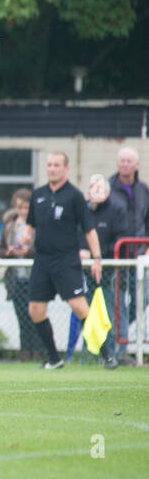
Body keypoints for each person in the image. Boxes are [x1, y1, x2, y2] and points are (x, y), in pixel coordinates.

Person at [21, 152, 102, 370]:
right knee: (35, 309)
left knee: (79, 306)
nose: (52, 168)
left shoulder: (74, 196)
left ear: (66, 168)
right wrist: (26, 236)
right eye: (49, 165)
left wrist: (96, 258)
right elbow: (30, 225)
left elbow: (89, 230)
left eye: (57, 165)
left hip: (66, 259)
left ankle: (107, 354)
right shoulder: (38, 195)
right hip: (42, 260)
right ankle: (54, 359)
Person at [107, 147, 149, 363]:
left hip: (139, 257)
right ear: (117, 163)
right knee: (117, 302)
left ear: (136, 165)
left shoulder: (143, 190)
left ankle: (121, 332)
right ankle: (120, 350)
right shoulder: (108, 188)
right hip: (116, 256)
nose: (124, 164)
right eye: (121, 160)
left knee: (142, 298)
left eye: (128, 161)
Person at [85, 174, 126, 368]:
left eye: (99, 187)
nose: (95, 191)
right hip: (84, 270)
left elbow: (121, 238)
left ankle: (112, 354)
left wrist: (99, 256)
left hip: (108, 270)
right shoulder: (83, 210)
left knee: (108, 312)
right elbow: (76, 233)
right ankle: (89, 355)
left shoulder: (116, 210)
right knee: (85, 313)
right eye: (92, 187)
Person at [0, 188, 41, 355]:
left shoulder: (38, 224)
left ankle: (39, 353)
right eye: (19, 207)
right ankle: (25, 353)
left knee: (36, 317)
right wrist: (9, 253)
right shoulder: (10, 224)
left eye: (26, 207)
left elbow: (43, 248)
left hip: (34, 277)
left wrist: (27, 253)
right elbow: (0, 250)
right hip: (16, 279)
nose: (22, 211)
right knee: (22, 319)